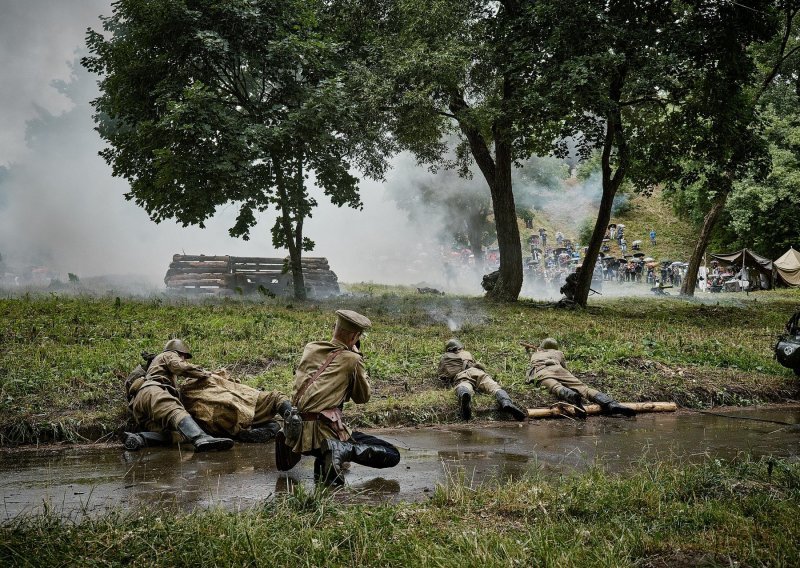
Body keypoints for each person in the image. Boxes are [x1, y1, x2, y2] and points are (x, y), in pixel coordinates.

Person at [276, 310, 400, 485]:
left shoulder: (311, 347)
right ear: (355, 337)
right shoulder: (352, 359)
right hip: (323, 433)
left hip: (297, 434)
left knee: (327, 475)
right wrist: (358, 360)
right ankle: (339, 450)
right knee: (393, 454)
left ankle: (329, 463)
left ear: (335, 328)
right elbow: (363, 397)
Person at [124, 339, 234, 452]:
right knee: (175, 411)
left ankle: (139, 438)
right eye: (184, 357)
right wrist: (204, 373)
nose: (184, 359)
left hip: (139, 406)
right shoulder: (169, 354)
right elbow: (180, 366)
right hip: (152, 392)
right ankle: (201, 438)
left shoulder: (156, 364)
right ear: (180, 353)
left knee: (174, 434)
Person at [525, 338, 635, 417]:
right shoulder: (559, 353)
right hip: (559, 370)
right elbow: (565, 367)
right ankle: (611, 403)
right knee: (584, 389)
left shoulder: (535, 354)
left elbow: (532, 361)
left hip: (542, 371)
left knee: (555, 386)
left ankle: (572, 396)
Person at [437, 339, 527, 421]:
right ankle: (506, 402)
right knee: (494, 387)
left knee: (464, 385)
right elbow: (476, 364)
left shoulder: (446, 358)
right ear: (459, 347)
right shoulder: (466, 353)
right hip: (477, 372)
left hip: (462, 376)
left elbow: (443, 376)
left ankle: (465, 394)